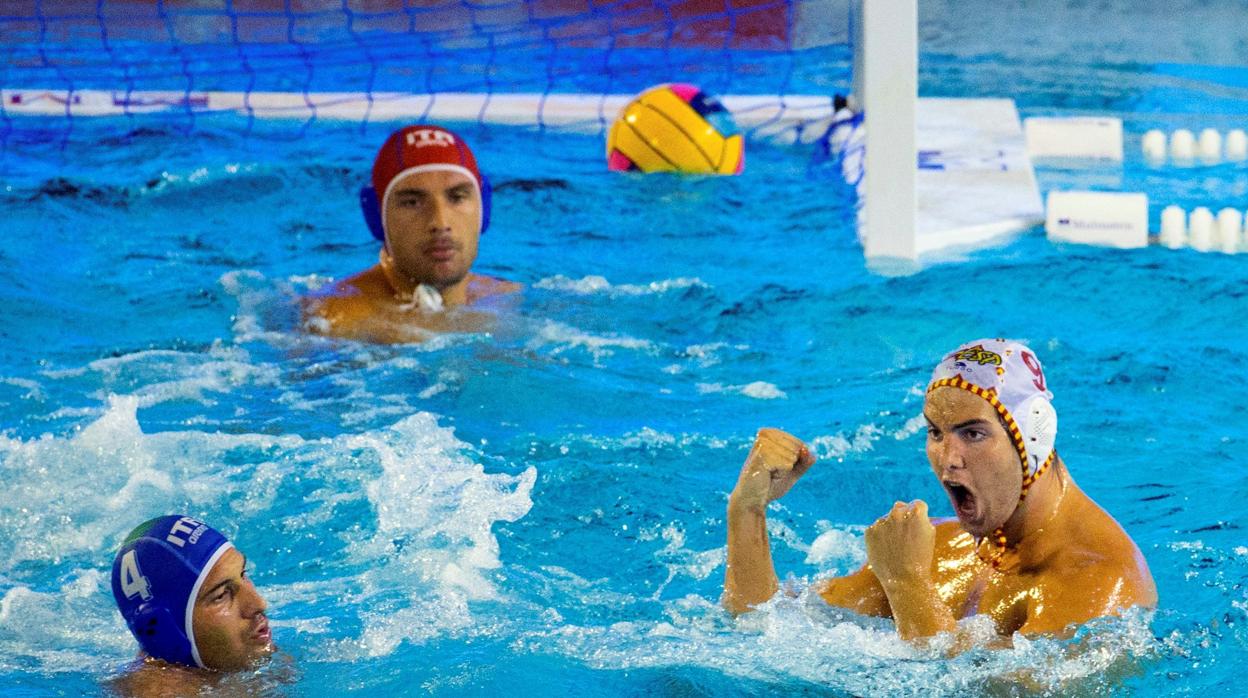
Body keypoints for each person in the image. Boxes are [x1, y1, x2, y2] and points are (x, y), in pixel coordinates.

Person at [722, 338, 1157, 646]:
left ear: (1033, 436)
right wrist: (747, 509)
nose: (948, 458)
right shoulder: (939, 545)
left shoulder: (1100, 580)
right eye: (935, 432)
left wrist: (907, 584)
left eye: (972, 433)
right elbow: (763, 627)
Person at [305, 124, 519, 343]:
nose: (440, 222)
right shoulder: (333, 321)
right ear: (377, 216)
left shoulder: (511, 300)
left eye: (457, 197)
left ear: (484, 208)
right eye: (412, 202)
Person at [110, 515, 273, 695]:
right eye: (221, 595)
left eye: (243, 573)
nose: (259, 603)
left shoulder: (237, 657)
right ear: (167, 633)